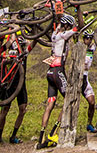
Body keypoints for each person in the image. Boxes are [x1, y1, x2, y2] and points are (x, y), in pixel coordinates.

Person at [37, 13, 78, 149]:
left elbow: (60, 22)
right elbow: (76, 30)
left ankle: (41, 135)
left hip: (50, 72)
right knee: (68, 99)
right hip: (57, 71)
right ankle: (53, 132)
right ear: (66, 25)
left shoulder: (55, 33)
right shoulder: (63, 35)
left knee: (50, 104)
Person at [0, 33, 34, 148]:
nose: (22, 49)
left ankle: (13, 136)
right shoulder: (11, 55)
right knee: (4, 111)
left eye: (24, 46)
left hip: (21, 84)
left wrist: (36, 34)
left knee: (22, 110)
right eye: (21, 47)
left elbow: (33, 43)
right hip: (10, 84)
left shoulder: (25, 53)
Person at [79, 29, 97, 134]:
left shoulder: (92, 48)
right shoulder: (79, 48)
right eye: (87, 38)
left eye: (91, 38)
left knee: (92, 102)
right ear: (83, 39)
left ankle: (89, 124)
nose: (89, 40)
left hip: (86, 78)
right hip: (78, 78)